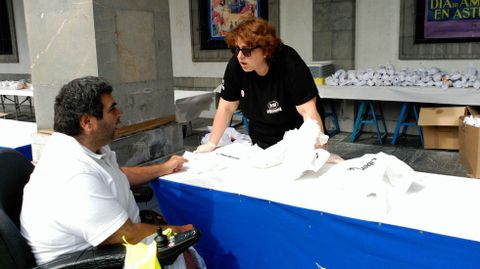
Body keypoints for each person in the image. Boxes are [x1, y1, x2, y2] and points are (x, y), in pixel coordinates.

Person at [20, 76, 201, 268]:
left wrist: (163, 168)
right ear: (87, 122)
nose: (119, 113)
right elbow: (127, 235)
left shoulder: (87, 147)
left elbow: (115, 175)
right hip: (97, 260)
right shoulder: (72, 175)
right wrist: (179, 231)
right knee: (186, 254)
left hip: (113, 245)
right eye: (112, 109)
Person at [195, 17, 326, 152]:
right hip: (261, 139)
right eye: (236, 49)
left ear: (265, 50)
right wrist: (211, 143)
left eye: (246, 50)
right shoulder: (236, 66)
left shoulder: (288, 61)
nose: (240, 56)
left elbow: (308, 111)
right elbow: (226, 108)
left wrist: (319, 150)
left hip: (297, 138)